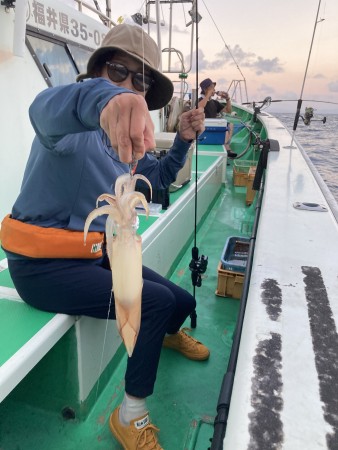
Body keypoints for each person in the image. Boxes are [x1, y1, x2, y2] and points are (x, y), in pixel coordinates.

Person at [0, 24, 209, 450]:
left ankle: (168, 334)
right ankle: (129, 413)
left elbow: (161, 181)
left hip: (93, 255)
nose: (131, 86)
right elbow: (45, 108)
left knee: (181, 302)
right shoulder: (65, 127)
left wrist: (184, 140)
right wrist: (110, 100)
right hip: (43, 269)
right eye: (119, 71)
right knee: (156, 304)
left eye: (142, 81)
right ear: (97, 70)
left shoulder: (123, 147)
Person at [198, 78, 237, 158]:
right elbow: (200, 107)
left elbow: (228, 110)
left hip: (213, 127)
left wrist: (227, 99)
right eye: (212, 88)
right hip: (202, 129)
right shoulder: (199, 101)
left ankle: (226, 146)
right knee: (225, 131)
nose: (214, 90)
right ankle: (226, 148)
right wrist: (208, 94)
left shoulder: (214, 102)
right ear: (205, 89)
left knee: (230, 125)